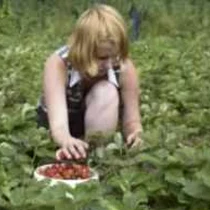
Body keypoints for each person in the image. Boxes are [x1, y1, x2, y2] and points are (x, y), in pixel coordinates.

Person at [36, 4, 143, 160]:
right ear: (82, 50)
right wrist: (65, 140)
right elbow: (58, 126)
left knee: (107, 91)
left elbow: (132, 121)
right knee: (58, 141)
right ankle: (72, 152)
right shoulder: (59, 64)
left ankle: (94, 154)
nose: (109, 64)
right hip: (58, 127)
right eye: (102, 58)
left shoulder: (124, 68)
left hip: (98, 125)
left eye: (115, 56)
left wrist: (135, 134)